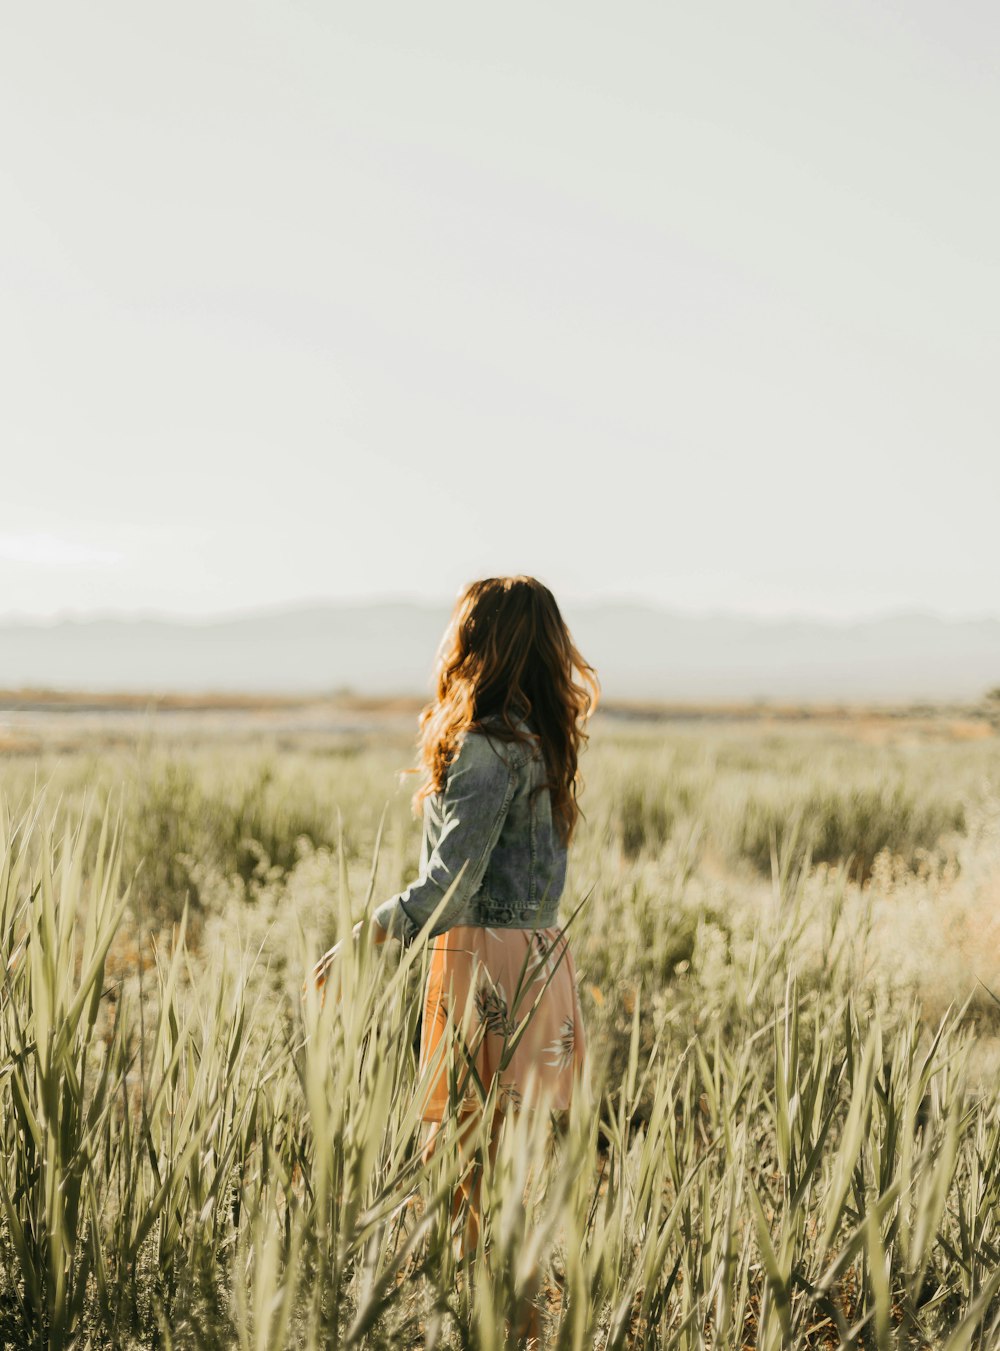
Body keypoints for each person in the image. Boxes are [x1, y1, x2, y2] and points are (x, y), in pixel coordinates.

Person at [311, 575, 598, 1343]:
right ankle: (517, 1326)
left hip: (487, 966)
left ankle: (482, 1326)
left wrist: (362, 942)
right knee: (500, 1174)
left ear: (474, 644)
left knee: (466, 1174)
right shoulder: (540, 745)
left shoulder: (484, 748)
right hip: (539, 961)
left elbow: (450, 884)